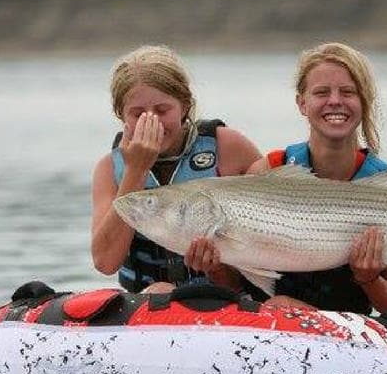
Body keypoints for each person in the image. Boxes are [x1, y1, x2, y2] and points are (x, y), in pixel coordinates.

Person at [246, 42, 387, 315]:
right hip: (274, 333)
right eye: (321, 92)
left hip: (346, 336)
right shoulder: (268, 171)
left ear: (364, 100)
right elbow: (235, 284)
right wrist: (214, 266)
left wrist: (369, 278)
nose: (335, 101)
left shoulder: (385, 184)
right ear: (302, 103)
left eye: (348, 92)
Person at [91, 45, 262, 293]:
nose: (152, 122)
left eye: (162, 110)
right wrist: (135, 172)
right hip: (149, 303)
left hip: (224, 298)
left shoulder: (228, 146)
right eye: (138, 114)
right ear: (121, 116)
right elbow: (105, 262)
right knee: (160, 289)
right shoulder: (109, 169)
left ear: (184, 106)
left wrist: (216, 267)